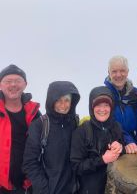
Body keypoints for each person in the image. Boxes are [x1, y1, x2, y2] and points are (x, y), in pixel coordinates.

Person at [23, 81, 80, 194]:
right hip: (49, 190)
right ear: (51, 101)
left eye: (67, 100)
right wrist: (44, 190)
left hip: (73, 189)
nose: (63, 105)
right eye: (58, 100)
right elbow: (29, 163)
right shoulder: (40, 125)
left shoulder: (74, 123)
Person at [70, 86, 124, 194]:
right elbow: (76, 167)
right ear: (91, 107)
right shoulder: (82, 131)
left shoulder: (116, 127)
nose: (102, 110)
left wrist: (120, 147)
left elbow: (123, 151)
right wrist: (102, 160)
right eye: (98, 105)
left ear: (111, 107)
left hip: (114, 187)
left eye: (106, 105)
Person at [104, 56, 137, 154]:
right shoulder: (104, 94)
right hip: (111, 143)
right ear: (109, 72)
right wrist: (127, 140)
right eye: (114, 71)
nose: (118, 75)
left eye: (122, 71)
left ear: (127, 72)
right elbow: (109, 124)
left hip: (132, 146)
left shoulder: (135, 94)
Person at [0, 64, 40, 194]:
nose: (13, 85)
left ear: (25, 84)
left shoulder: (35, 114)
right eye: (8, 81)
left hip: (26, 186)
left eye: (17, 81)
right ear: (0, 85)